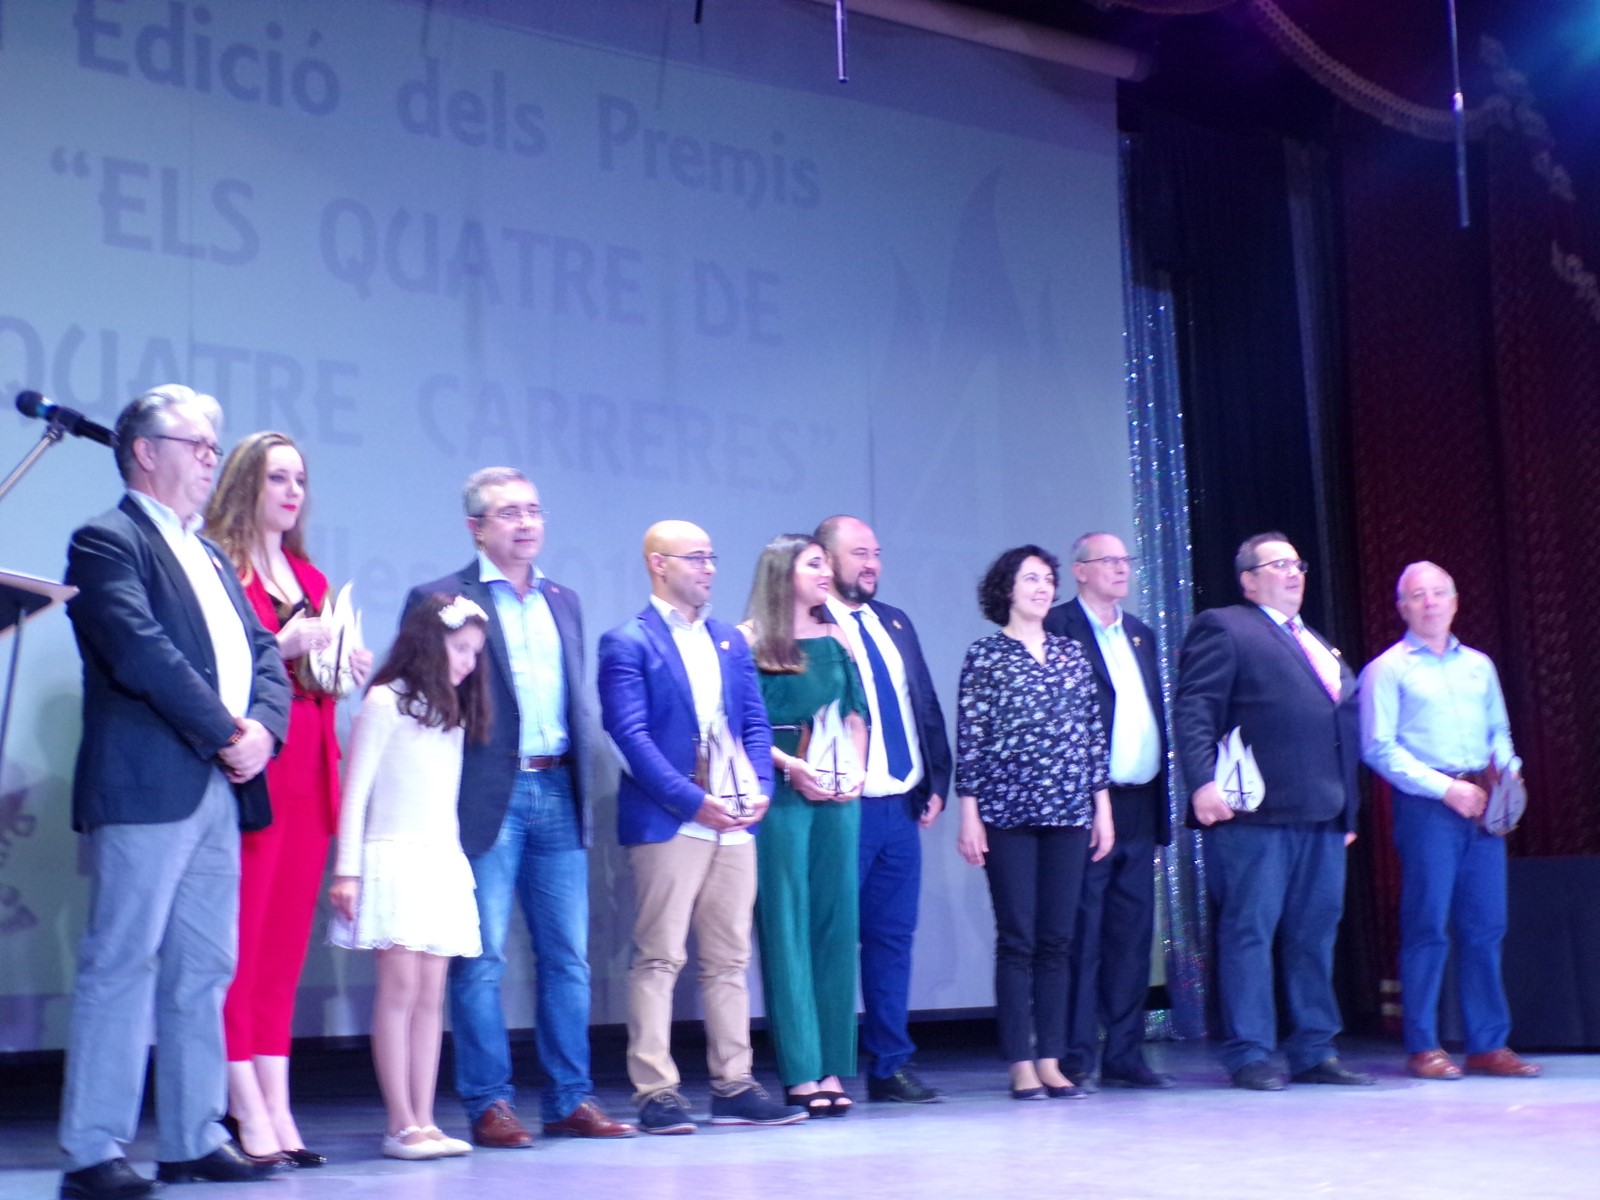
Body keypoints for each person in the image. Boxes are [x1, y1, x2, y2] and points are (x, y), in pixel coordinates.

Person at [57, 386, 291, 1199]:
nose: (211, 460)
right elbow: (139, 649)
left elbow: (264, 652)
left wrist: (264, 731)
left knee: (205, 969)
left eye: (213, 446)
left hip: (218, 788)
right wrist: (228, 732)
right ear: (145, 451)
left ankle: (194, 1136)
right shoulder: (106, 540)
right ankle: (93, 1150)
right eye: (196, 445)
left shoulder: (213, 555)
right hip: (147, 782)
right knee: (122, 961)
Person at [404, 468, 634, 1145]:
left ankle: (570, 1098)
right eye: (509, 513)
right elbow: (423, 702)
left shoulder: (564, 600)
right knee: (481, 960)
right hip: (487, 794)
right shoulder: (441, 599)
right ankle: (489, 1103)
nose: (527, 523)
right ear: (476, 528)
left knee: (568, 959)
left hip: (558, 787)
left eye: (533, 510)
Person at [597, 521, 806, 1133]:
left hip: (734, 818)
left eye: (712, 557)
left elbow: (754, 723)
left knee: (729, 958)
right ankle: (655, 1091)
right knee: (660, 955)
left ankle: (734, 1083)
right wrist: (691, 800)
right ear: (658, 564)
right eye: (695, 558)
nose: (709, 568)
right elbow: (629, 736)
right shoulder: (627, 642)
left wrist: (761, 788)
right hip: (672, 819)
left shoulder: (729, 641)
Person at [202, 431, 373, 1166]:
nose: (293, 491)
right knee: (239, 947)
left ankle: (276, 1100)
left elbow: (317, 684)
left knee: (281, 955)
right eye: (278, 478)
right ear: (246, 483)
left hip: (310, 770)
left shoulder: (311, 574)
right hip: (256, 768)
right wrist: (284, 641)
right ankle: (242, 1103)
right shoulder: (219, 566)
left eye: (300, 479)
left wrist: (343, 666)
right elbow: (218, 666)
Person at [1172, 532, 1371, 1091]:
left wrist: (1349, 812)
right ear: (1249, 580)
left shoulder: (1318, 643)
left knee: (1315, 935)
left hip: (1323, 814)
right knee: (1250, 932)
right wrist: (1201, 783)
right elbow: (1195, 708)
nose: (1292, 573)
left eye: (1297, 564)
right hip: (1255, 814)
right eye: (1278, 564)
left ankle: (1314, 1049)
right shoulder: (1225, 626)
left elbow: (1341, 731)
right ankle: (1250, 1052)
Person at [1359, 562, 1540, 1081]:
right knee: (1427, 925)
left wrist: (1508, 772)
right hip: (1427, 807)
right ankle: (1423, 1045)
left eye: (1439, 593)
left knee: (1486, 926)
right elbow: (1378, 747)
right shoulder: (1387, 669)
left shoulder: (1479, 666)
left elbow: (1499, 732)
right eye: (1418, 595)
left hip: (1484, 805)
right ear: (1402, 607)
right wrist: (1446, 788)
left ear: (1455, 602)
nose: (1430, 602)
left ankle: (1488, 1044)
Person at [328, 594, 491, 1159]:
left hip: (439, 860)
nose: (469, 661)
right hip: (392, 859)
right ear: (430, 641)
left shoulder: (451, 712)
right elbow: (356, 793)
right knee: (399, 990)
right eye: (460, 647)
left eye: (475, 652)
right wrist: (347, 871)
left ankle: (425, 1118)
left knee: (430, 996)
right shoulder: (384, 701)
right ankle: (399, 1123)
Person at [955, 545, 1114, 1101]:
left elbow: (1092, 735)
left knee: (1057, 940)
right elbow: (971, 739)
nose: (1043, 588)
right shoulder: (986, 655)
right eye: (1031, 579)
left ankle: (1051, 1058)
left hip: (1069, 811)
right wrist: (969, 814)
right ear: (1006, 589)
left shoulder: (1071, 653)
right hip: (1007, 813)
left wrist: (1102, 808)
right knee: (1018, 938)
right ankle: (1020, 1064)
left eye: (1048, 579)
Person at [814, 515, 952, 1104]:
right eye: (859, 553)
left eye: (876, 553)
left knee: (893, 940)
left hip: (900, 805)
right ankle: (823, 1066)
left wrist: (937, 778)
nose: (872, 564)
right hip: (843, 809)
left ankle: (890, 1064)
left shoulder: (893, 621)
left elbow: (922, 701)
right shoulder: (810, 625)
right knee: (831, 939)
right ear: (825, 559)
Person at [741, 533, 869, 1117]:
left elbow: (857, 715)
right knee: (786, 924)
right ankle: (800, 1070)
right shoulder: (748, 640)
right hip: (783, 793)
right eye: (814, 563)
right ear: (782, 572)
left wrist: (854, 772)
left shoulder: (837, 638)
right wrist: (793, 767)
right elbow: (742, 725)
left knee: (836, 925)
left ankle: (833, 1065)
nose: (826, 573)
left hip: (838, 795)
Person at [1045, 533, 1173, 1090]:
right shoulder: (1057, 626)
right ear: (1080, 570)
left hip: (1139, 801)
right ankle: (1075, 1052)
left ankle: (1125, 1052)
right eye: (1109, 561)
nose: (1122, 569)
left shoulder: (1140, 633)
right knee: (1083, 929)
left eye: (1126, 560)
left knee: (1132, 932)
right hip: (1086, 804)